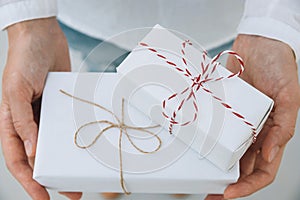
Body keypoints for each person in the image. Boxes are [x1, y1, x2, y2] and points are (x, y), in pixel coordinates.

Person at [0, 0, 299, 200]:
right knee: (102, 76)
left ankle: (180, 176)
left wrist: (271, 24)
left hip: (222, 19)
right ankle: (115, 178)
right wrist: (27, 18)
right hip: (92, 14)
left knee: (201, 96)